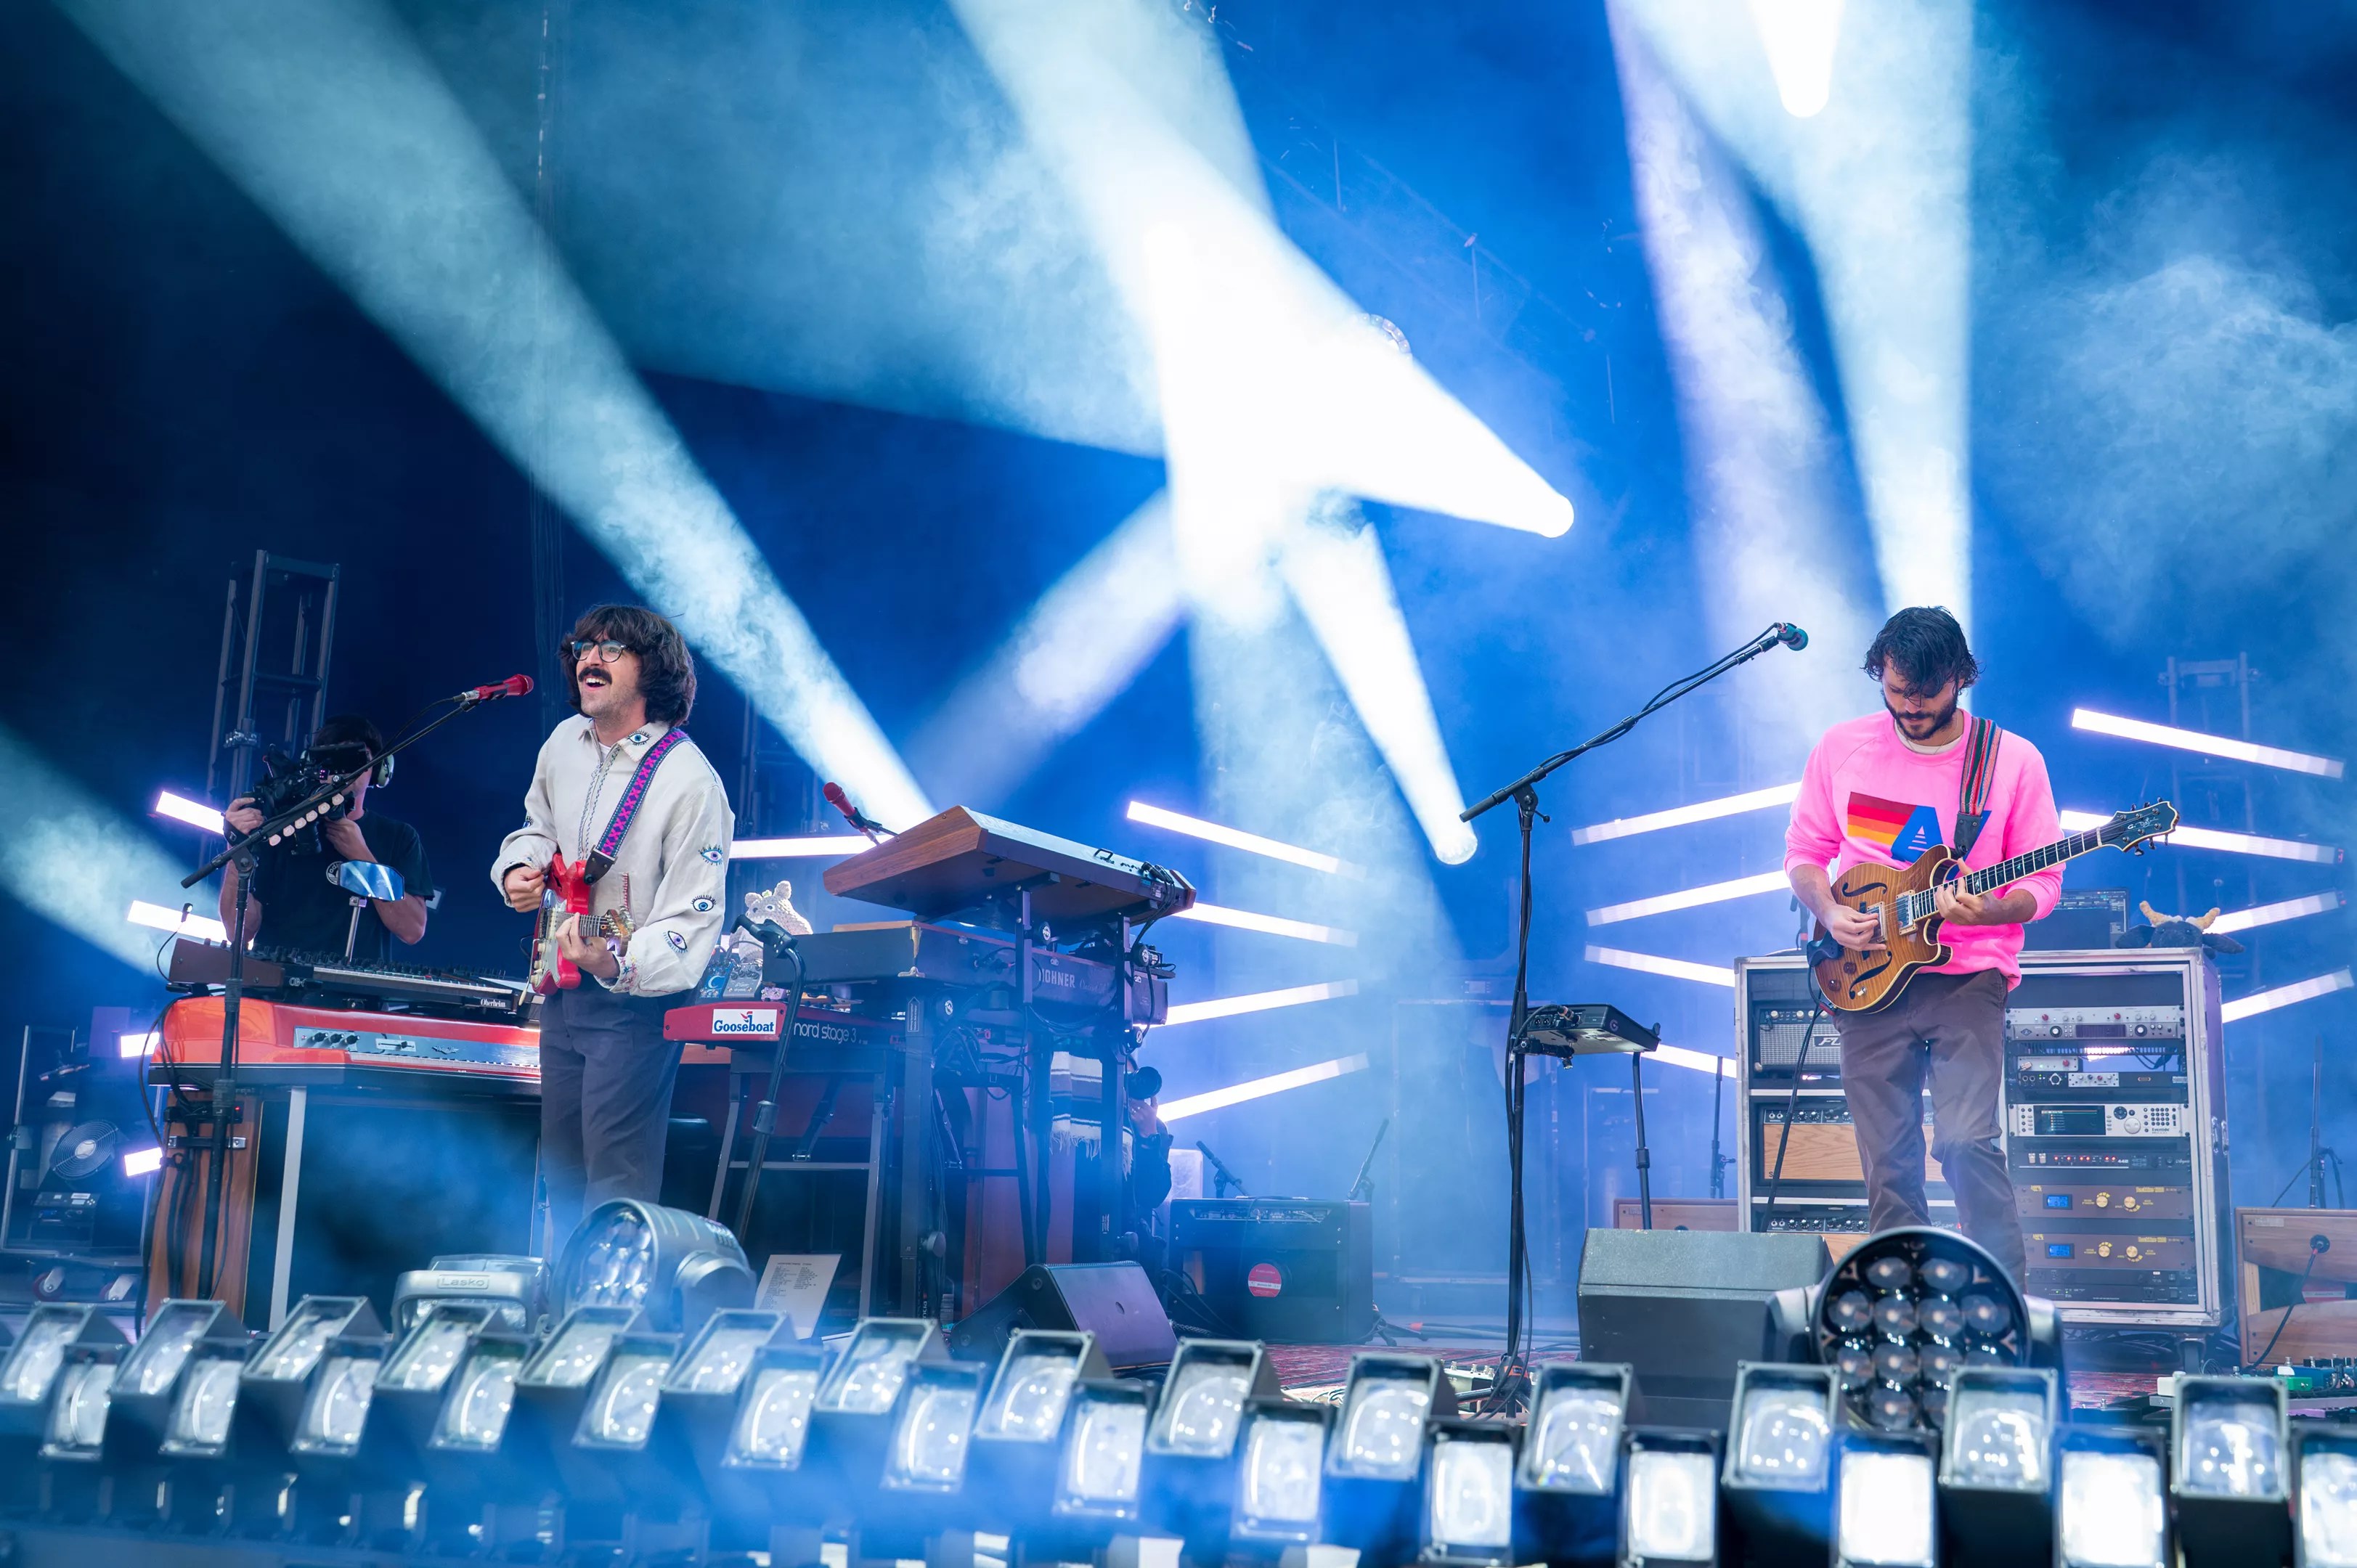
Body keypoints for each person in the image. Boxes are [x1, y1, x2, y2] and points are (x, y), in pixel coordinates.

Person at [1783, 607, 2060, 1283]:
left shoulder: (2011, 759)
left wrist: (1991, 908)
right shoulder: (1841, 747)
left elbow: (2044, 882)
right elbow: (1805, 852)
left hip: (1967, 976)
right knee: (1888, 1164)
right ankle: (1902, 1308)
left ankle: (2003, 1302)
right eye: (1897, 690)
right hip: (1864, 976)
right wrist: (1828, 911)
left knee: (1966, 1142)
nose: (1910, 707)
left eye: (1926, 693)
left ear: (1961, 678)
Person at [494, 605, 733, 1241]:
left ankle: (612, 1301)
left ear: (653, 670)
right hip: (561, 991)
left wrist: (617, 960)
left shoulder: (690, 780)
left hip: (634, 1005)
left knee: (615, 1184)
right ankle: (563, 1296)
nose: (589, 660)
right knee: (563, 1178)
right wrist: (519, 867)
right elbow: (538, 826)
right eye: (584, 648)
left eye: (612, 649)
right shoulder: (562, 743)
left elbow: (695, 915)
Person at [219, 714, 433, 963]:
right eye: (332, 758)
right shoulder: (278, 828)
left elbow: (412, 930)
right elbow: (238, 932)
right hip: (276, 981)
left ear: (377, 769)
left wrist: (363, 858)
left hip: (353, 987)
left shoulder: (399, 837)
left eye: (354, 757)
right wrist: (237, 851)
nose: (342, 770)